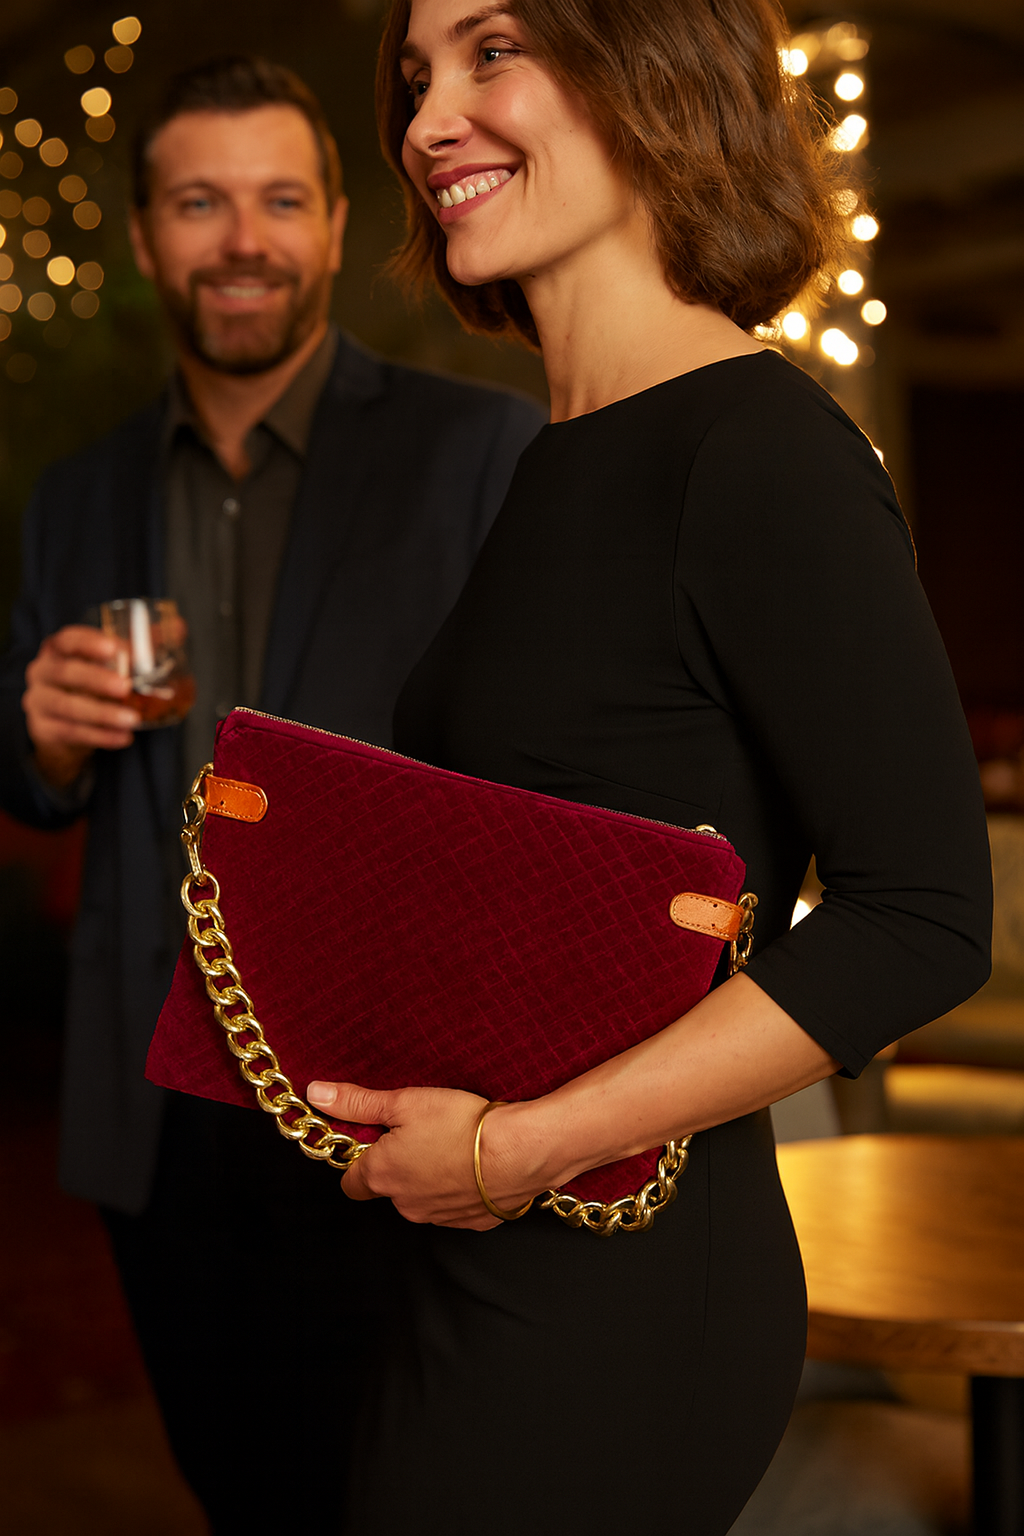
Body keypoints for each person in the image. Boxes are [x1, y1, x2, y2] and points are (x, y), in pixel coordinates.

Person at [298, 2, 993, 1532]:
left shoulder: (761, 451)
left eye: (492, 51)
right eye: (416, 76)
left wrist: (516, 1149)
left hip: (616, 1284)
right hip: (472, 1244)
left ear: (651, 75)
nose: (426, 121)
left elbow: (926, 915)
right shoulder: (565, 453)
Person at [0, 55, 543, 1533]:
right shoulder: (75, 495)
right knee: (235, 1486)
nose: (243, 239)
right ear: (143, 235)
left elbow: (537, 783)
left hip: (393, 1103)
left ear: (334, 223)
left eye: (280, 201)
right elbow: (33, 787)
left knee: (408, 1494)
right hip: (154, 1108)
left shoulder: (476, 450)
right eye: (199, 203)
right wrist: (43, 740)